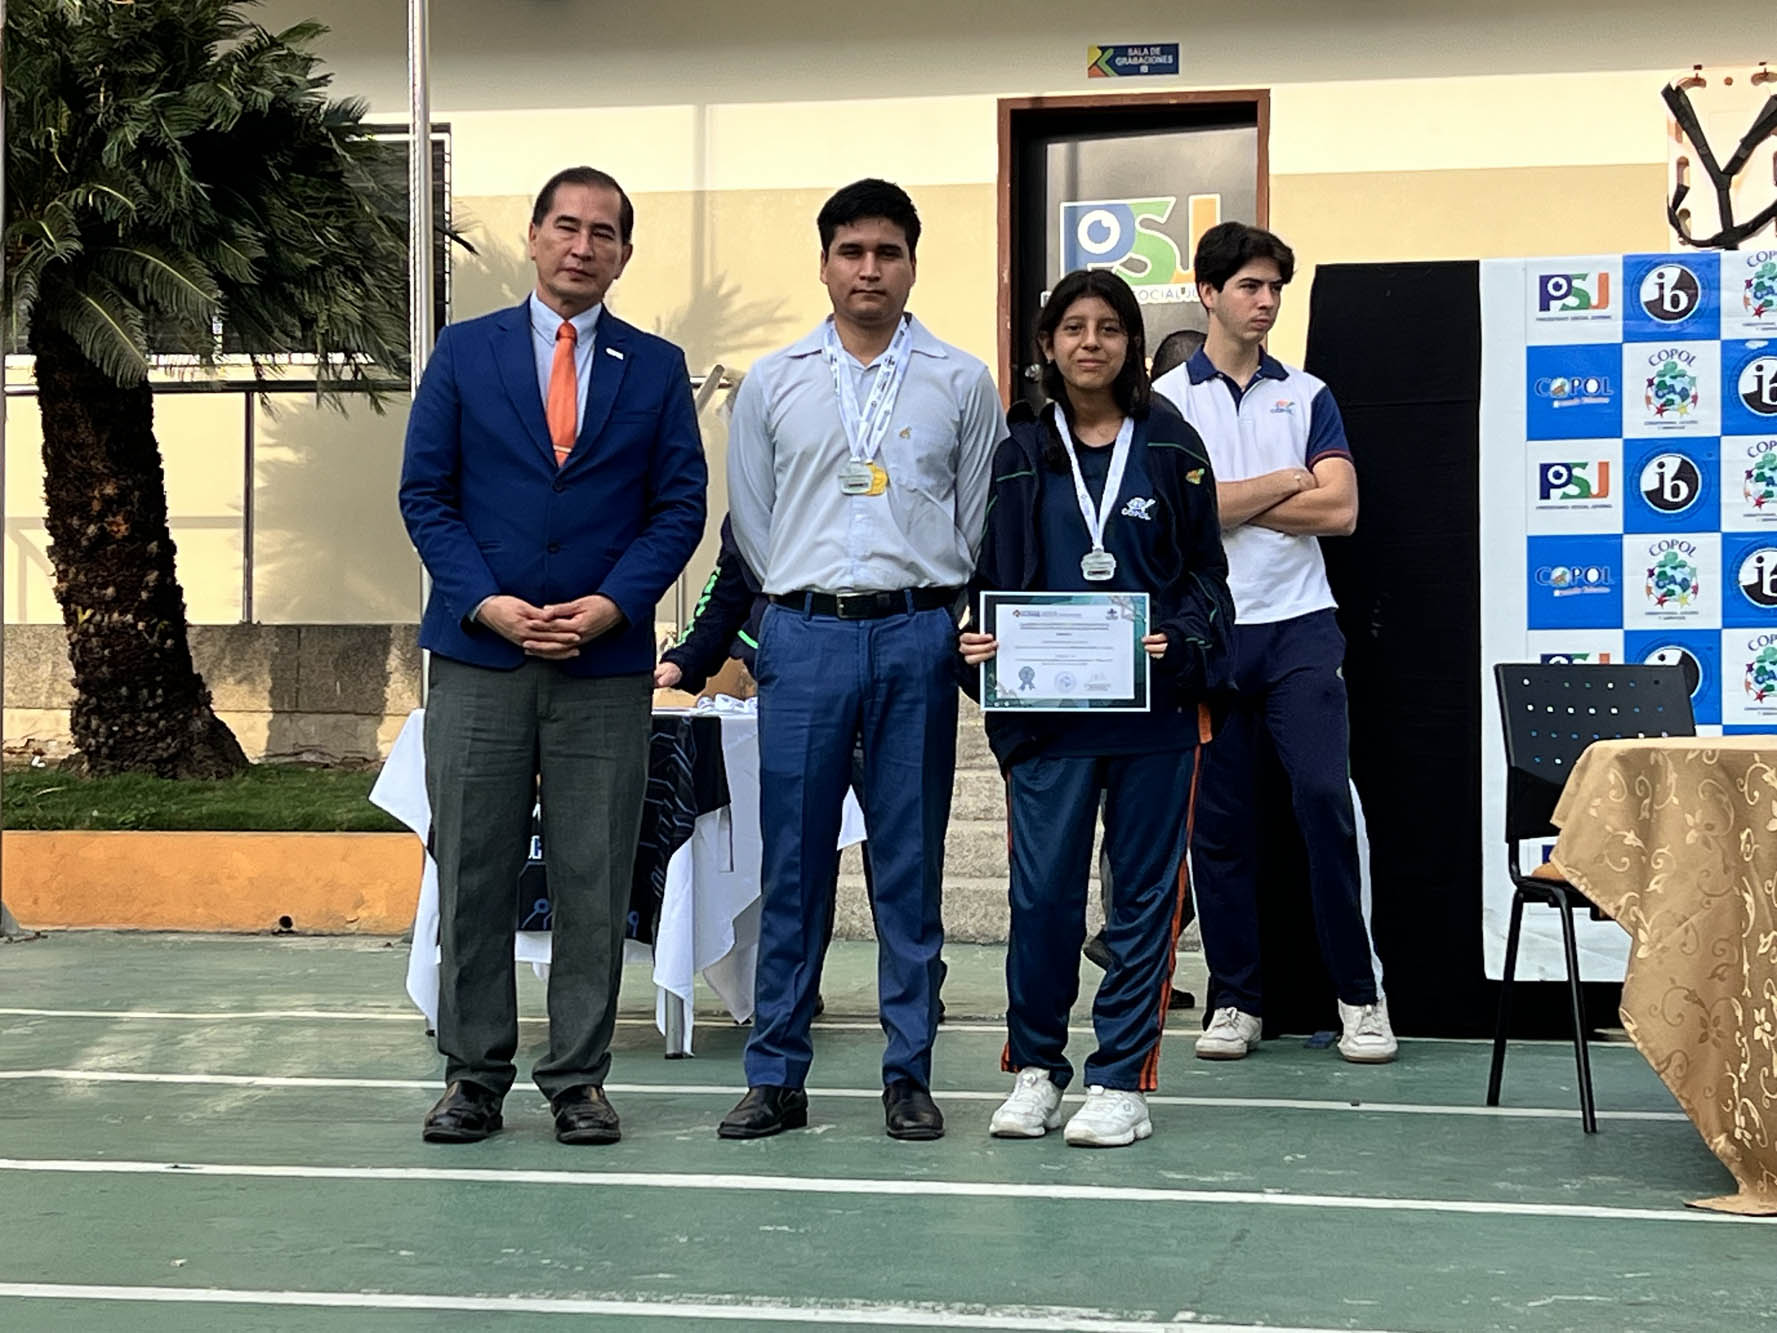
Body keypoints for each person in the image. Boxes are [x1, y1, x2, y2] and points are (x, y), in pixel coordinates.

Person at [401, 166, 708, 1144]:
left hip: (601, 667)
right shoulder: (465, 352)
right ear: (533, 237)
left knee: (592, 875)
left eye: (602, 233)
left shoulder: (654, 368)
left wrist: (614, 606)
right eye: (566, 226)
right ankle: (472, 1076)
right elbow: (425, 495)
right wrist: (486, 602)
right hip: (479, 656)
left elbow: (679, 509)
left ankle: (577, 1077)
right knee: (475, 870)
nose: (582, 246)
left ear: (624, 254)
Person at [720, 178, 1001, 1141]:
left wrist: (924, 606)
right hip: (802, 634)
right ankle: (775, 1072)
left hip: (916, 633)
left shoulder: (960, 381)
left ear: (912, 264)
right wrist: (800, 603)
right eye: (851, 252)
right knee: (793, 864)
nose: (868, 269)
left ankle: (907, 1072)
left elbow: (973, 518)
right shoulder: (773, 382)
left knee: (907, 864)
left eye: (887, 252)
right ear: (824, 263)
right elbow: (753, 523)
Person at [961, 268, 1233, 1148]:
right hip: (1047, 719)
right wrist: (975, 642)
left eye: (1109, 327)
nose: (1091, 342)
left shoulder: (1172, 443)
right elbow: (985, 578)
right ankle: (1036, 1068)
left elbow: (1206, 577)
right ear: (1047, 343)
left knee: (1143, 904)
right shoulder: (1016, 450)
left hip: (1155, 717)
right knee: (1041, 897)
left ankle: (1120, 1078)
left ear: (1130, 344)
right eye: (1073, 327)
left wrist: (1180, 643)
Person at [1152, 221, 1395, 1064]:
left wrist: (1230, 499)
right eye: (1249, 286)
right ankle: (1234, 1000)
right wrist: (1289, 479)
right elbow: (1181, 515)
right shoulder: (1166, 402)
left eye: (1274, 288)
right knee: (1217, 827)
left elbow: (1342, 510)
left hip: (1299, 628)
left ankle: (1359, 996)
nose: (1265, 302)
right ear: (1207, 292)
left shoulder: (1309, 393)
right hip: (1209, 633)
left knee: (1323, 801)